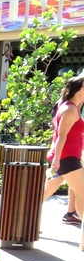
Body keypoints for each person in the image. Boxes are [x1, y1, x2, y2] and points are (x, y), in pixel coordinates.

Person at [43, 76, 84, 226]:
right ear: (77, 89)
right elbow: (62, 136)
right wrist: (56, 160)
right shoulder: (70, 109)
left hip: (64, 158)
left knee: (45, 193)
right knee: (82, 191)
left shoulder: (72, 107)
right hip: (66, 158)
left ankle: (26, 223)